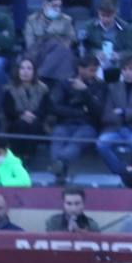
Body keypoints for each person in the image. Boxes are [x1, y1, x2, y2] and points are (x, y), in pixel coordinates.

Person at [49, 52, 105, 182]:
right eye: (91, 70)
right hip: (64, 123)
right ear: (80, 69)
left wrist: (85, 91)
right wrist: (81, 112)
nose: (94, 74)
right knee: (57, 140)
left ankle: (58, 166)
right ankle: (59, 172)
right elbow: (55, 107)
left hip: (88, 126)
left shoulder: (100, 85)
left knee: (74, 145)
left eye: (96, 70)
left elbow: (98, 111)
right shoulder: (64, 83)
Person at [96, 53, 132, 175]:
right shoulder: (112, 88)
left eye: (131, 69)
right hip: (114, 129)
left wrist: (123, 111)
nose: (127, 72)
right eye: (124, 69)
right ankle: (121, 171)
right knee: (101, 144)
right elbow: (106, 114)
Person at [1, 56, 49, 165]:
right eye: (22, 68)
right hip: (14, 121)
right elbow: (8, 110)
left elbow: (45, 109)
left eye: (29, 68)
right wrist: (22, 114)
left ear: (34, 71)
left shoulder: (43, 88)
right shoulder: (9, 88)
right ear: (18, 70)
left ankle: (29, 156)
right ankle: (19, 157)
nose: (25, 72)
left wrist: (32, 115)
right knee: (21, 124)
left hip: (37, 121)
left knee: (33, 124)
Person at [23, 0, 77, 83]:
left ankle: (41, 76)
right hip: (38, 54)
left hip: (60, 55)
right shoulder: (32, 20)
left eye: (59, 6)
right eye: (54, 6)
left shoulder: (66, 20)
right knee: (58, 48)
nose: (57, 9)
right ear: (45, 5)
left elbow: (71, 40)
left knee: (62, 50)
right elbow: (30, 44)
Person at [82, 0, 132, 83]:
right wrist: (96, 53)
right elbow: (86, 48)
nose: (105, 19)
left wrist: (119, 55)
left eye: (109, 16)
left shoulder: (126, 28)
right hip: (97, 62)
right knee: (95, 74)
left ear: (115, 13)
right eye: (103, 15)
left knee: (122, 74)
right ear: (98, 13)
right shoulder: (90, 27)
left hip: (119, 63)